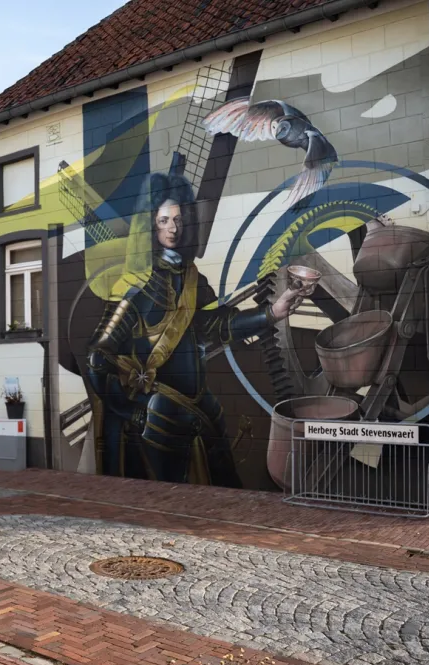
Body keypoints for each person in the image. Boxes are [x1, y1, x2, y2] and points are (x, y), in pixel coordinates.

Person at [86, 172, 304, 485]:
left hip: (205, 408)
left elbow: (216, 325)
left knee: (225, 492)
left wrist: (272, 312)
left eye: (177, 219)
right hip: (161, 416)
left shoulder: (193, 279)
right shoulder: (136, 286)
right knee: (172, 505)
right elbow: (98, 356)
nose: (172, 228)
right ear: (151, 224)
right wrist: (130, 410)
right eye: (163, 221)